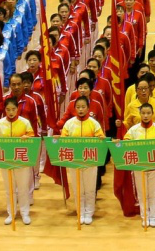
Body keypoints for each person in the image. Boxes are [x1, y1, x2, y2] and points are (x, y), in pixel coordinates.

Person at [61, 96, 106, 225]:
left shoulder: (94, 123)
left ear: (88, 108)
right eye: (78, 107)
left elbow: (101, 138)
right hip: (74, 161)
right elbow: (63, 139)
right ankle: (80, 212)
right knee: (78, 188)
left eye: (83, 107)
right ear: (74, 108)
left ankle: (89, 212)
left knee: (90, 189)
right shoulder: (69, 123)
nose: (80, 109)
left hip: (90, 160)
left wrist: (101, 138)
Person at [0, 97, 36, 225]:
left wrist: (27, 137)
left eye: (13, 109)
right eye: (8, 109)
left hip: (21, 160)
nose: (11, 112)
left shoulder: (25, 122)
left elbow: (32, 137)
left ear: (17, 109)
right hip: (6, 160)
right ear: (4, 110)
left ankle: (25, 213)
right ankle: (11, 213)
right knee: (9, 189)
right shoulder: (0, 123)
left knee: (23, 188)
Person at [124, 103, 155, 228]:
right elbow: (126, 141)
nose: (146, 116)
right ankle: (145, 216)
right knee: (142, 193)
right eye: (143, 113)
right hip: (139, 167)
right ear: (140, 114)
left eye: (148, 113)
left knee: (154, 193)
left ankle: (153, 217)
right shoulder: (134, 130)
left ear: (152, 114)